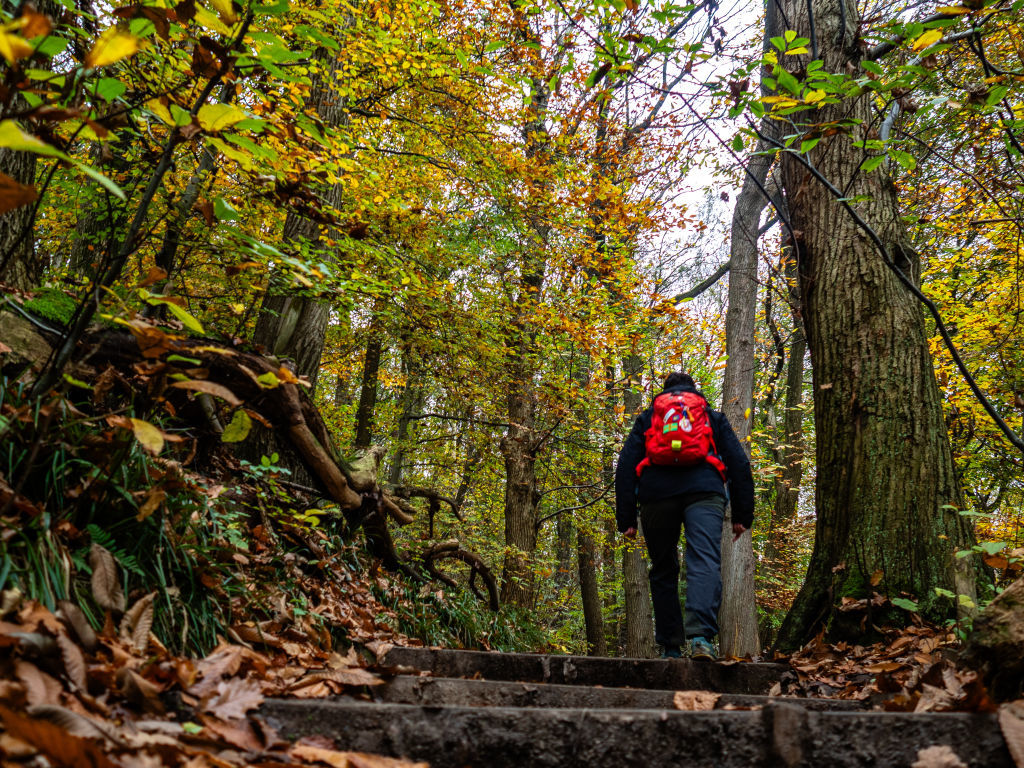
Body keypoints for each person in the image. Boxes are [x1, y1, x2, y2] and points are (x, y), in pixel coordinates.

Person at [615, 372, 754, 660]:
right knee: (703, 560)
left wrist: (626, 518)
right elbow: (739, 464)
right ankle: (701, 638)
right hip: (704, 491)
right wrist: (743, 514)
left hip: (656, 494)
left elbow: (626, 464)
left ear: (664, 393)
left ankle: (670, 648)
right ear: (694, 391)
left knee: (664, 568)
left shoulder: (649, 417)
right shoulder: (711, 417)